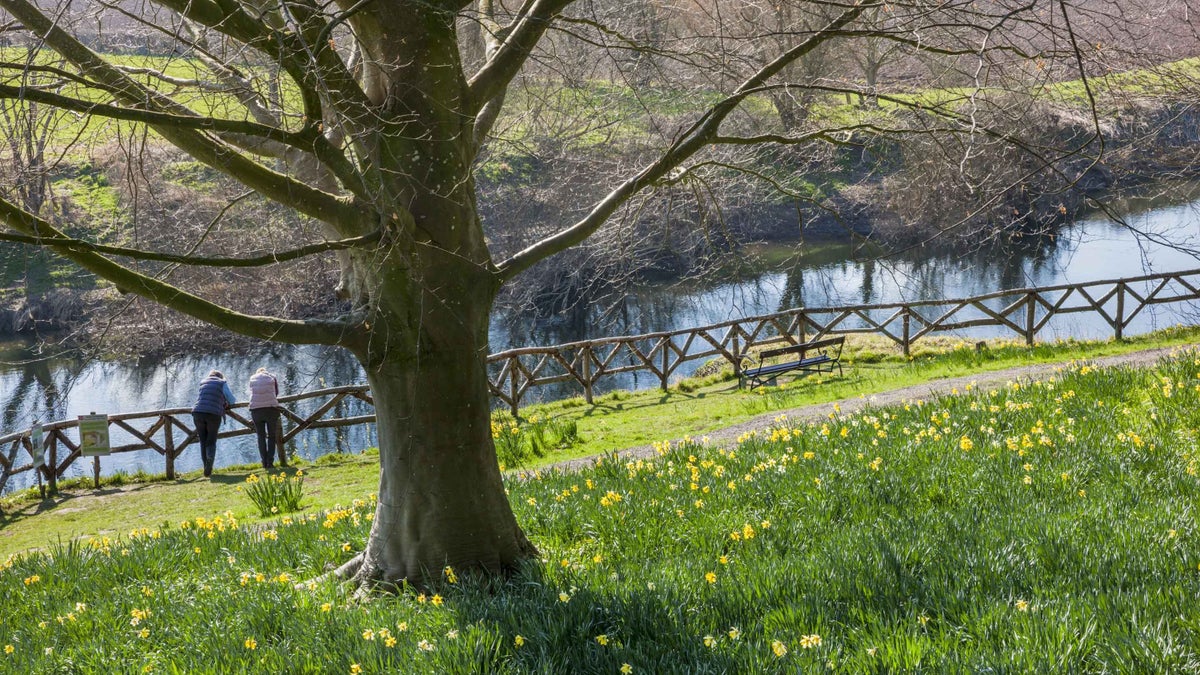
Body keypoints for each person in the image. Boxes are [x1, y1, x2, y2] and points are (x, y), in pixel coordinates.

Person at [191, 370, 236, 478]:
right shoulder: (222, 383)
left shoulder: (203, 382)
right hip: (213, 414)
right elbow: (232, 400)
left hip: (198, 412)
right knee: (211, 440)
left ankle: (206, 468)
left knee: (203, 441)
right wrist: (225, 402)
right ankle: (210, 463)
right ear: (220, 376)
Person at [247, 367, 283, 469]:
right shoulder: (272, 377)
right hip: (271, 409)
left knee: (260, 436)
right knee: (271, 436)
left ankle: (264, 462)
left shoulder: (252, 378)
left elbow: (252, 392)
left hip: (256, 410)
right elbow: (276, 392)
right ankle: (270, 462)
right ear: (266, 372)